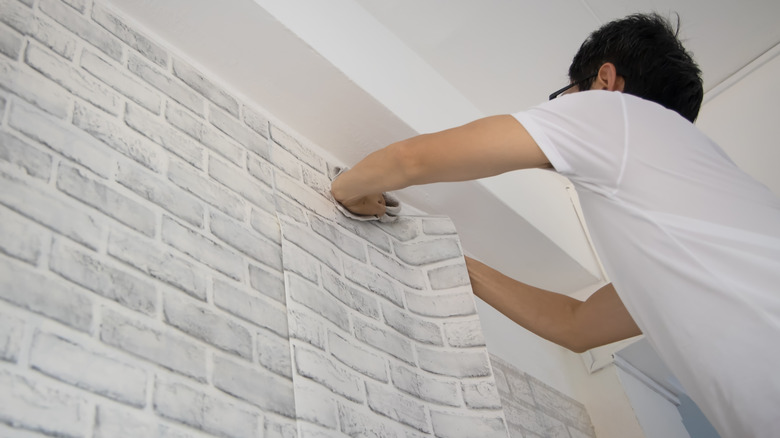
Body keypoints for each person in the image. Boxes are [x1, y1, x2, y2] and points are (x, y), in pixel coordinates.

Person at [330, 12, 780, 438]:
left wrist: (347, 188)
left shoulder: (616, 112)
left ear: (605, 81)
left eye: (566, 95)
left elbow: (413, 160)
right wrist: (444, 254)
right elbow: (578, 325)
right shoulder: (698, 223)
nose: (563, 110)